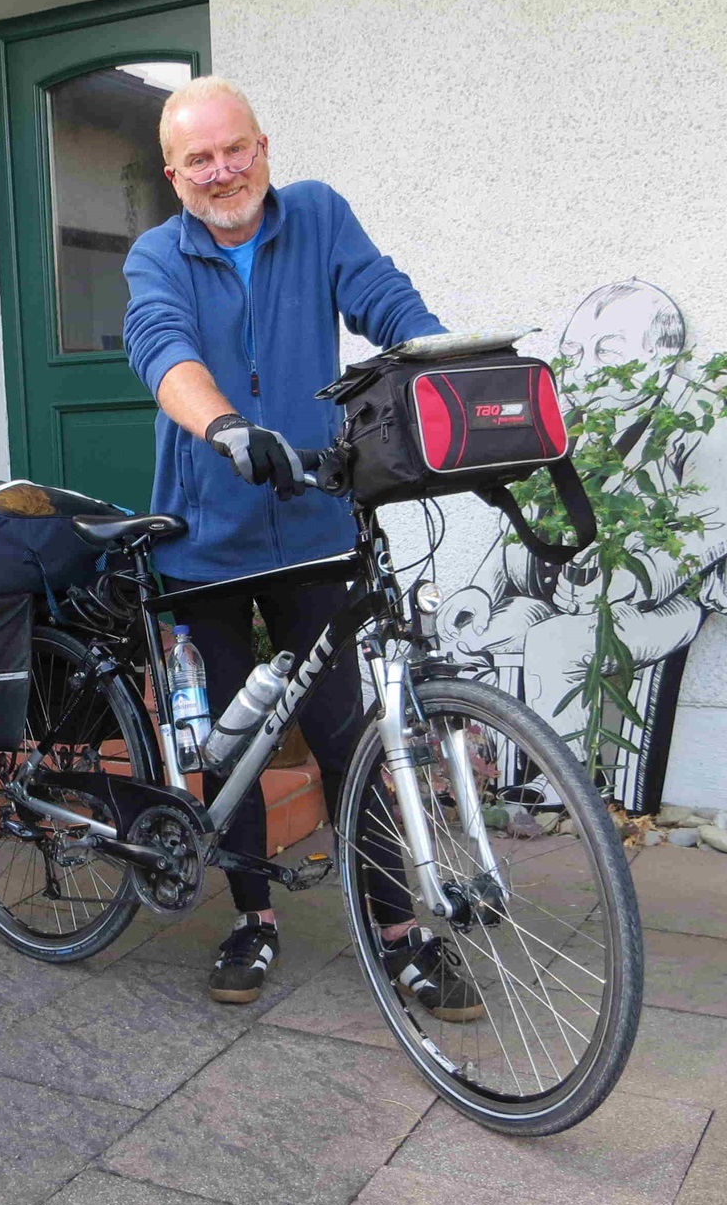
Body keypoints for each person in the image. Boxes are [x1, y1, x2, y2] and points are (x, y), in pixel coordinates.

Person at [122, 76, 479, 1017]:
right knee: (229, 739)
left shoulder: (317, 216)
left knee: (341, 734)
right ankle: (252, 917)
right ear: (174, 175)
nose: (222, 171)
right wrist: (225, 428)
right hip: (203, 535)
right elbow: (162, 350)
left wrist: (450, 373)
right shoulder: (158, 254)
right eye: (199, 159)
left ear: (264, 148)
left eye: (235, 149)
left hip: (316, 527)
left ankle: (399, 933)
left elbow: (386, 303)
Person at [435, 281, 727, 772]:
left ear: (660, 358)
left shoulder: (693, 417)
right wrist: (481, 590)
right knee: (474, 635)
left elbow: (719, 523)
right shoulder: (567, 413)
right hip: (551, 592)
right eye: (572, 353)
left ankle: (559, 789)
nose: (583, 369)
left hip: (654, 603)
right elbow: (523, 518)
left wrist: (632, 577)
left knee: (558, 644)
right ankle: (486, 776)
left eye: (607, 353)